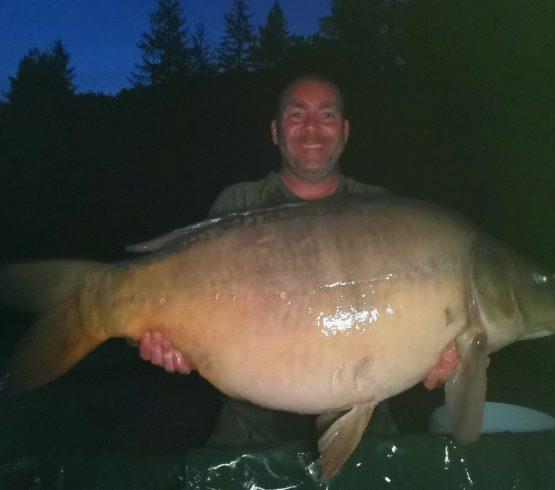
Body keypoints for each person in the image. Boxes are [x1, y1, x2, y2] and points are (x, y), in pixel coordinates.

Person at [138, 75, 398, 444]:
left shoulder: (381, 210)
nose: (311, 127)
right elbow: (193, 314)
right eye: (296, 115)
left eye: (326, 115)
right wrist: (173, 343)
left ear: (345, 130)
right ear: (276, 131)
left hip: (367, 418)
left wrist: (444, 354)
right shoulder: (239, 204)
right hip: (250, 424)